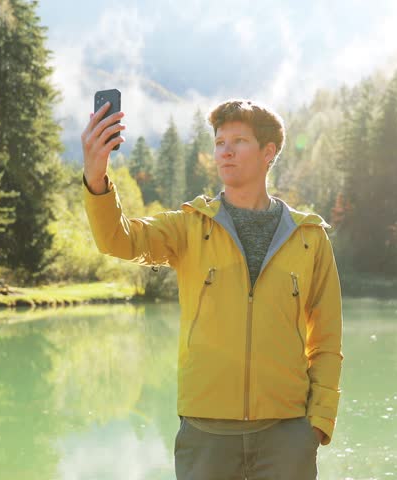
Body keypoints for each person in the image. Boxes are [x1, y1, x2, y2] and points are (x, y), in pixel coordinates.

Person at [80, 98, 343, 479]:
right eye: (220, 142)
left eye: (239, 141)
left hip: (286, 434)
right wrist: (96, 176)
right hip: (206, 434)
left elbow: (327, 339)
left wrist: (318, 421)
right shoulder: (189, 226)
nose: (225, 151)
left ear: (268, 152)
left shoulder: (309, 237)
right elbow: (117, 239)